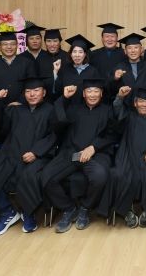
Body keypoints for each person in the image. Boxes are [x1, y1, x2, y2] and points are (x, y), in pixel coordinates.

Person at [0, 76, 57, 236]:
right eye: (28, 91)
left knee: (27, 177)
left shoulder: (51, 110)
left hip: (38, 156)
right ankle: (7, 212)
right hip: (11, 153)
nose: (32, 94)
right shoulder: (15, 110)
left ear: (44, 92)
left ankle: (29, 213)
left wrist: (36, 152)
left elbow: (54, 136)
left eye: (36, 90)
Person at [42, 77, 117, 233]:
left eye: (96, 91)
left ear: (101, 93)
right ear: (83, 94)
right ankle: (68, 209)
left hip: (96, 154)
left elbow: (112, 134)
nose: (92, 95)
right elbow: (57, 125)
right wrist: (64, 98)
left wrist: (94, 147)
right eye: (89, 91)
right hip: (72, 153)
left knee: (100, 176)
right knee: (47, 177)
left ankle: (85, 208)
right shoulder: (73, 109)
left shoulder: (108, 110)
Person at [99, 83, 146, 228]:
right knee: (118, 174)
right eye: (141, 101)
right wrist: (119, 97)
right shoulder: (128, 116)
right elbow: (117, 111)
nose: (144, 104)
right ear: (135, 103)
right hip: (128, 154)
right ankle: (126, 211)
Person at [0, 31, 36, 104]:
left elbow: (32, 85)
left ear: (17, 45)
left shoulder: (27, 63)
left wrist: (20, 102)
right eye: (5, 44)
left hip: (22, 106)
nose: (9, 47)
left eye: (12, 44)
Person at [109, 32, 146, 107]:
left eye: (136, 47)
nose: (133, 51)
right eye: (129, 48)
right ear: (125, 51)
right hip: (126, 109)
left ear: (141, 50)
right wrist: (115, 78)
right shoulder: (119, 68)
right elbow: (111, 90)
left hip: (145, 108)